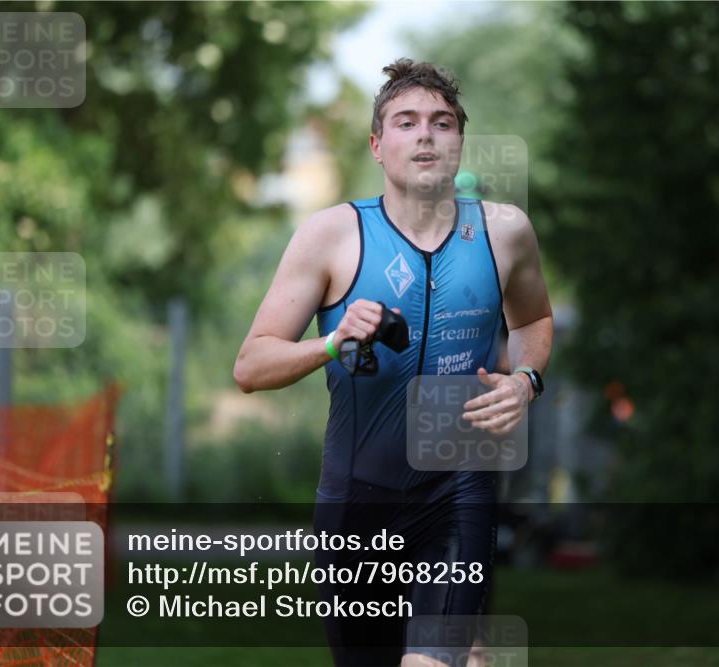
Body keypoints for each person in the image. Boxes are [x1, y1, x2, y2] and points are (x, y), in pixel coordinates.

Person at [233, 58, 553, 667]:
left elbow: (534, 320)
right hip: (356, 501)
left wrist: (526, 380)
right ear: (378, 146)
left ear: (460, 139)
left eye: (442, 122)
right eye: (406, 122)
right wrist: (329, 343)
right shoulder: (331, 235)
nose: (427, 134)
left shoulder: (504, 232)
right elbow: (250, 366)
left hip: (459, 493)